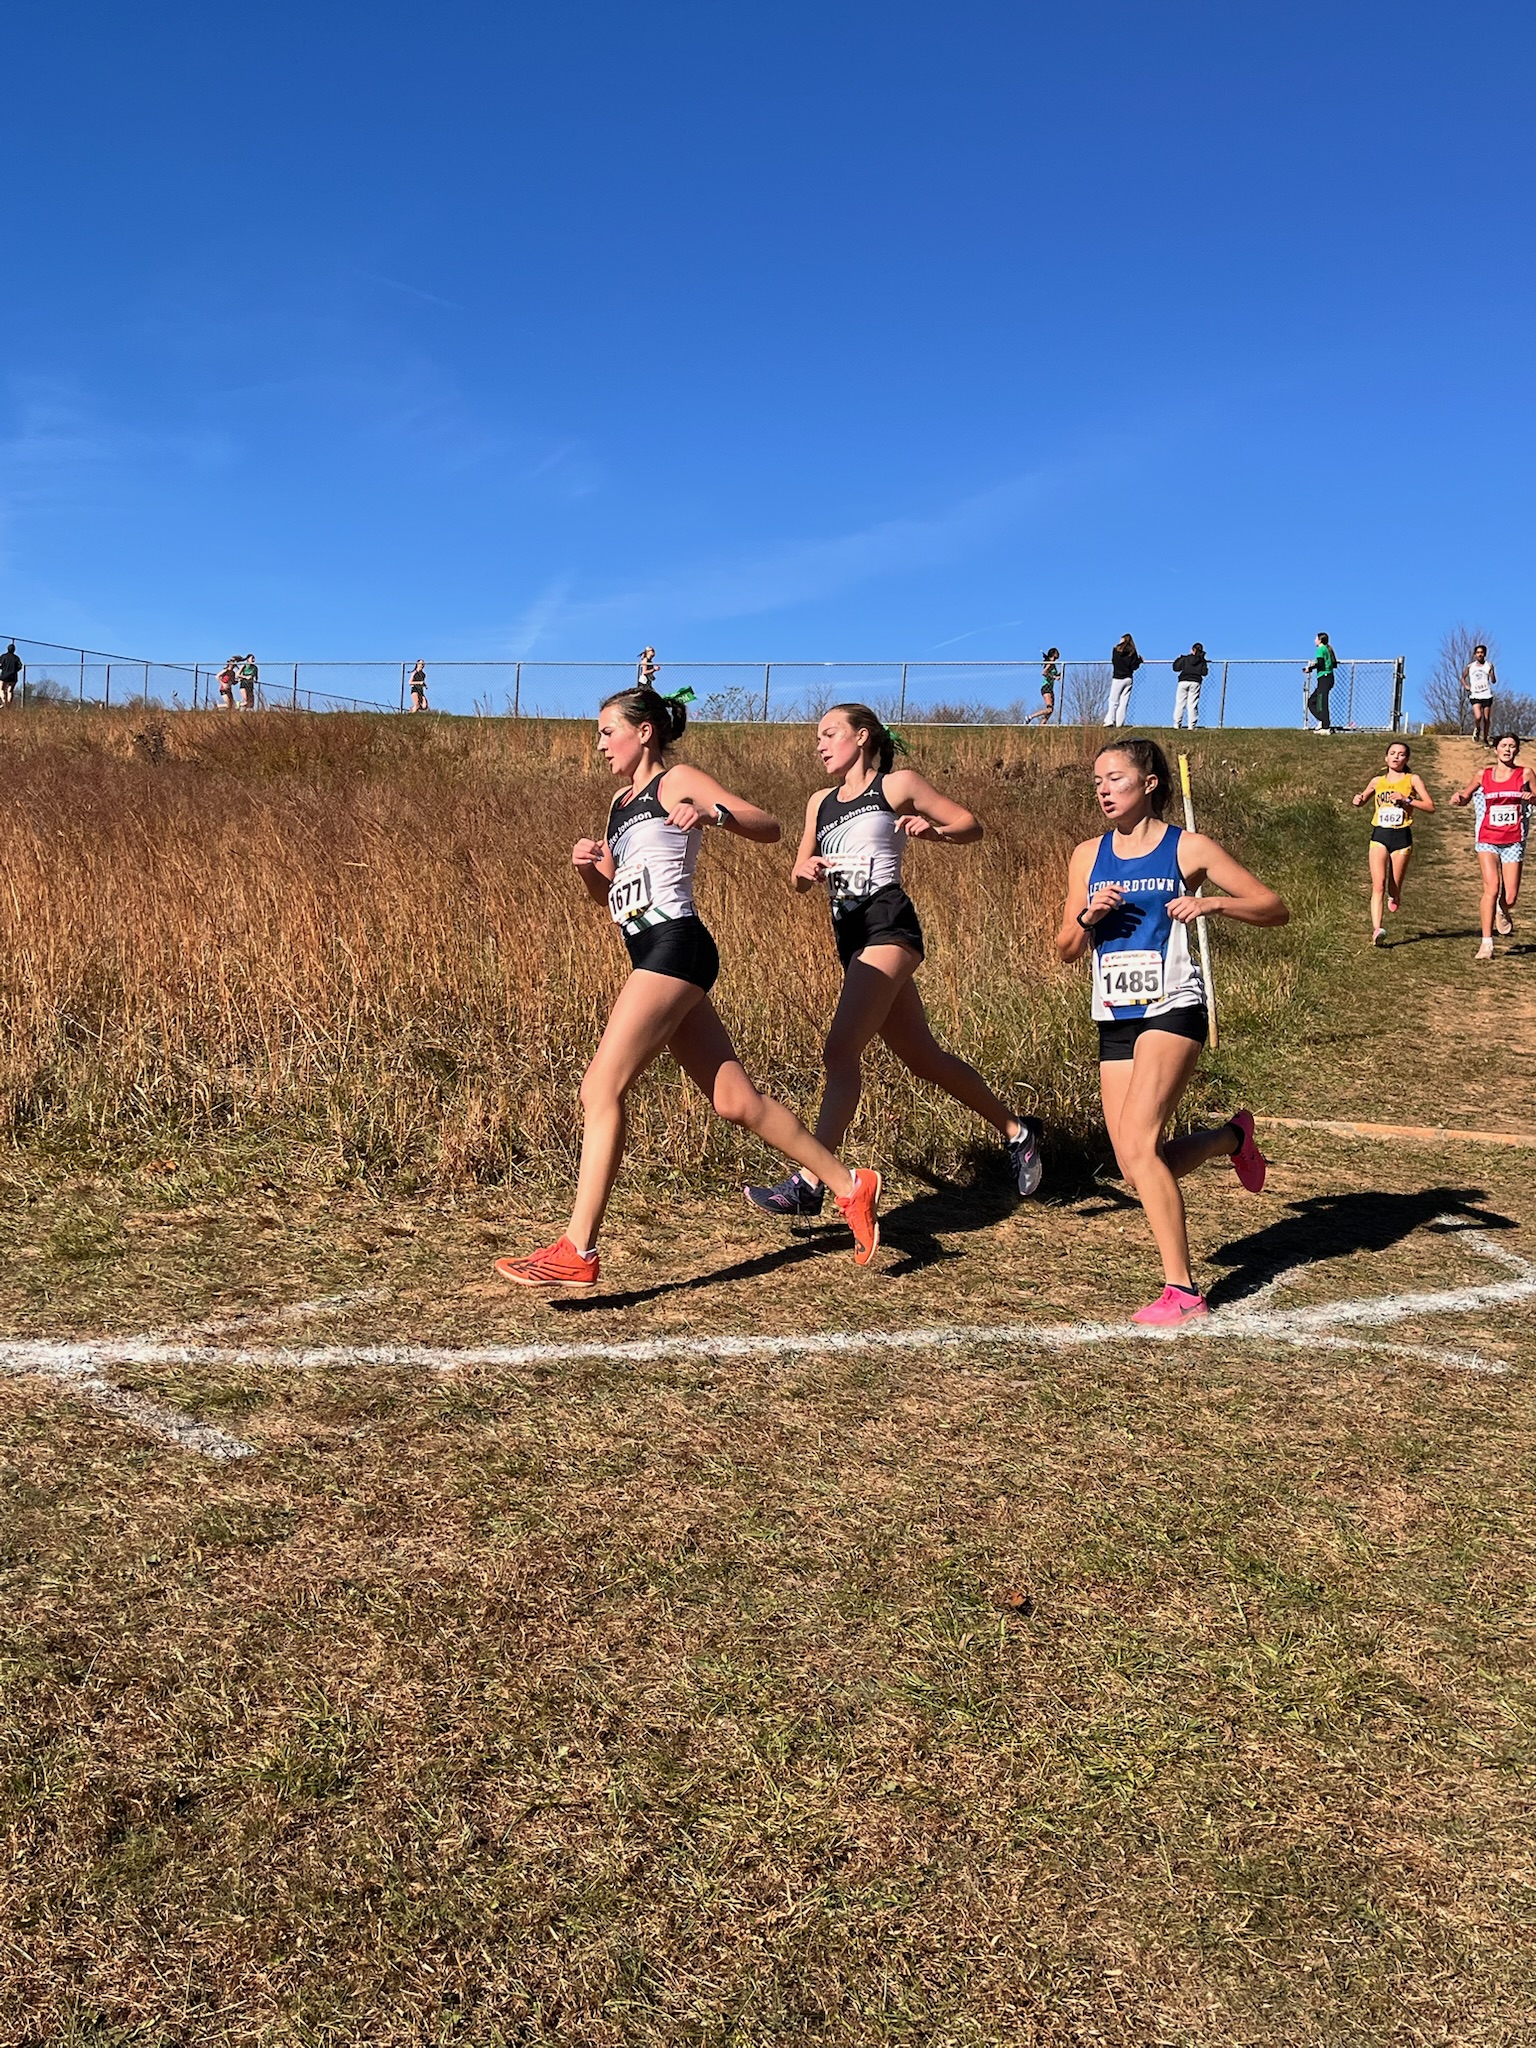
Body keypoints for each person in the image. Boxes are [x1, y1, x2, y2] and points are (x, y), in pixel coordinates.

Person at [493, 683, 883, 1287]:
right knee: (735, 1102)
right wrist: (591, 873)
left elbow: (770, 825)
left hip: (678, 948)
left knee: (600, 1087)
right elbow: (616, 902)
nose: (599, 744)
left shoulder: (675, 782)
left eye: (606, 731)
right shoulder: (619, 806)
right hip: (650, 951)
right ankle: (848, 1184)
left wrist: (711, 813)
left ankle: (578, 1249)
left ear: (643, 731)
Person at [745, 704, 1043, 1221]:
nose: (819, 744)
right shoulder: (820, 802)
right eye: (817, 736)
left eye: (829, 734)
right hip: (851, 937)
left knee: (840, 1051)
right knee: (923, 1058)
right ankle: (1018, 1131)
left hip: (889, 925)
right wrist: (806, 870)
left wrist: (934, 831)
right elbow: (795, 875)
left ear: (862, 737)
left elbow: (970, 826)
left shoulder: (896, 785)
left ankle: (813, 1182)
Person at [1056, 736, 1288, 1326]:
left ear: (1150, 783)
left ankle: (1182, 1291)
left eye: (1115, 779)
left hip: (1174, 1003)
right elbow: (1064, 948)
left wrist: (1212, 907)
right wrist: (1089, 917)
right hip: (1115, 1011)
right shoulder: (1088, 855)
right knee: (1135, 1163)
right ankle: (1232, 1140)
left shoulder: (1189, 848)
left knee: (1138, 1143)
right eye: (1098, 782)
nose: (1103, 790)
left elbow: (1271, 905)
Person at [1450, 731, 1533, 959]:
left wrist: (1531, 798)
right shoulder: (1483, 774)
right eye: (1504, 745)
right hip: (1487, 838)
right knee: (1492, 888)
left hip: (1513, 839)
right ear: (1496, 749)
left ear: (1517, 750)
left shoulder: (1525, 773)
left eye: (1512, 746)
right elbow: (1466, 796)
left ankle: (1503, 910)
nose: (1508, 749)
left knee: (1510, 896)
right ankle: (1487, 942)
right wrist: (1460, 799)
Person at [1351, 741, 1433, 945]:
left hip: (1402, 837)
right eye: (1393, 753)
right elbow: (1363, 799)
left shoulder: (1412, 779)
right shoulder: (1377, 781)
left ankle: (1395, 896)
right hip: (1380, 835)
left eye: (1402, 754)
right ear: (1386, 758)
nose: (1397, 757)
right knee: (1378, 884)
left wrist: (1407, 800)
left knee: (1393, 887)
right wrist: (1359, 800)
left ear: (1407, 759)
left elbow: (1431, 806)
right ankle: (1377, 929)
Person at [1462, 643, 1496, 747]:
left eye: (1481, 652)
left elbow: (1494, 681)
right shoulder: (1470, 666)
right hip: (1475, 694)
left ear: (1485, 654)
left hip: (1486, 694)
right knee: (1478, 717)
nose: (1480, 654)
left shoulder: (1488, 665)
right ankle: (1477, 729)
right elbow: (1462, 677)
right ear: (1475, 654)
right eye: (1478, 653)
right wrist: (1466, 686)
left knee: (1486, 719)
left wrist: (1492, 674)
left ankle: (1485, 738)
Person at [1305, 632, 1338, 733]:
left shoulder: (1320, 649)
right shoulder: (1326, 649)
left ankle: (1325, 727)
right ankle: (1322, 721)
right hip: (1327, 678)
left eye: (1316, 638)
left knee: (1322, 702)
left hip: (1325, 678)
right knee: (1312, 701)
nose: (1314, 640)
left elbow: (1320, 663)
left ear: (1320, 640)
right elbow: (1333, 664)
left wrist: (1309, 668)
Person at [1171, 642, 1209, 730]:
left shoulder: (1185, 658)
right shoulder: (1202, 661)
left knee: (1180, 703)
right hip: (1195, 682)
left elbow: (1175, 668)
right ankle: (1191, 725)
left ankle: (1177, 724)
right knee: (1192, 704)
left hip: (1183, 681)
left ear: (1192, 650)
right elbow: (1204, 673)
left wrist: (1179, 658)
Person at [1105, 635, 1142, 726]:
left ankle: (1110, 721)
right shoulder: (1132, 652)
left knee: (1113, 701)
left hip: (1117, 677)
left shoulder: (1116, 650)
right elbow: (1134, 666)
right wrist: (1139, 661)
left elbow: (1113, 661)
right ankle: (1119, 723)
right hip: (1128, 678)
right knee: (1124, 702)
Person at [1026, 649, 1060, 726]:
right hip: (1046, 687)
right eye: (1054, 658)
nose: (1055, 660)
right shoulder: (1050, 663)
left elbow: (1052, 674)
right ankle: (1030, 717)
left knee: (1051, 710)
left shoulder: (1053, 664)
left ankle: (1042, 725)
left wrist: (1058, 675)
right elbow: (1044, 672)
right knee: (1049, 709)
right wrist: (1054, 677)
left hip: (1051, 688)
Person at [0, 641, 20, 707]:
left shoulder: (3, 656)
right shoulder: (16, 658)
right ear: (14, 650)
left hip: (4, 676)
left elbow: (0, 664)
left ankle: (3, 702)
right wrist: (15, 670)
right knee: (10, 691)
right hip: (13, 677)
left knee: (1, 689)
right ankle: (8, 706)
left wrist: (2, 668)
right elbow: (20, 666)